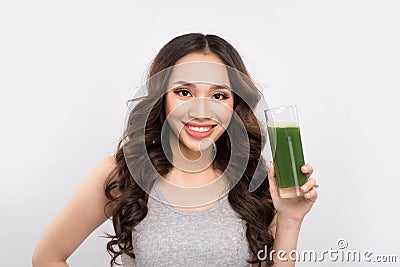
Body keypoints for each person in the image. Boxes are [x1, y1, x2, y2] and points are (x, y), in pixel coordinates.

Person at [32, 33, 318, 267]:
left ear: (234, 105)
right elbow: (47, 257)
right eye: (184, 92)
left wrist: (290, 220)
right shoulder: (123, 174)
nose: (201, 111)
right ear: (162, 98)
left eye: (219, 95)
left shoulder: (254, 180)